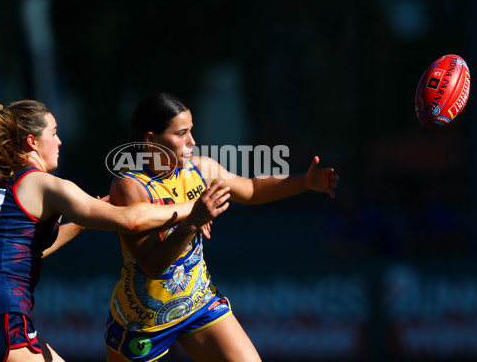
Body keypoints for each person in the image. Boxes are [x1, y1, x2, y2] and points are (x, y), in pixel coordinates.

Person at [0, 100, 231, 362]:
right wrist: (194, 208)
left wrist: (80, 223)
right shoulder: (46, 184)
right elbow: (131, 220)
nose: (59, 141)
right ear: (32, 141)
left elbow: (30, 252)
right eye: (54, 133)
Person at [105, 92, 339, 362]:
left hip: (198, 304)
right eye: (181, 134)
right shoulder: (129, 186)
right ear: (150, 139)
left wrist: (305, 183)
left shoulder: (201, 169)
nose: (192, 141)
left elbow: (251, 190)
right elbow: (152, 265)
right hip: (143, 321)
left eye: (191, 131)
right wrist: (193, 221)